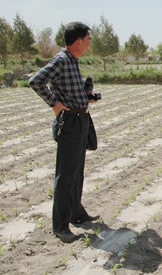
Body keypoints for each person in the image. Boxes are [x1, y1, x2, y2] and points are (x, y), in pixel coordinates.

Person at [29, 22, 100, 243]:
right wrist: (55, 105)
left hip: (80, 119)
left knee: (77, 172)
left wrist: (85, 94)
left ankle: (76, 213)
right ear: (78, 42)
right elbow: (36, 81)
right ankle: (60, 226)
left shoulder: (72, 61)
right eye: (88, 40)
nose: (89, 44)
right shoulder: (61, 60)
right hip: (69, 123)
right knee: (66, 176)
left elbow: (67, 87)